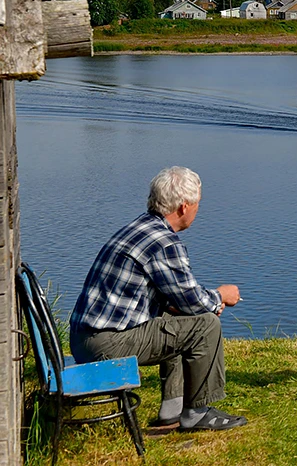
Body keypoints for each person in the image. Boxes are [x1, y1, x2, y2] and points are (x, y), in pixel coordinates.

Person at [69, 166, 247, 431]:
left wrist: (188, 305)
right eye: (198, 204)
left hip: (84, 339)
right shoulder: (165, 242)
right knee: (206, 325)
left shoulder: (139, 227)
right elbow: (193, 301)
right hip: (106, 345)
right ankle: (198, 413)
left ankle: (172, 411)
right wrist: (221, 296)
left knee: (178, 320)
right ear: (184, 207)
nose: (198, 210)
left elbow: (171, 298)